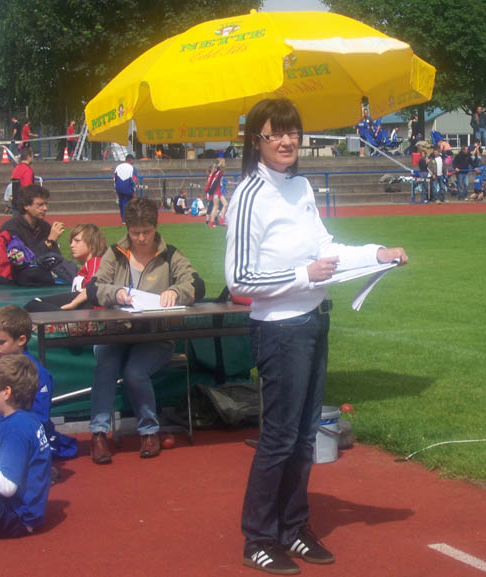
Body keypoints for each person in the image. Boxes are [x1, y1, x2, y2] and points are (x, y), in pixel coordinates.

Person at [225, 98, 408, 575]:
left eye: (293, 132)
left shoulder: (301, 186)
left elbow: (325, 248)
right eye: (275, 134)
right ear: (257, 141)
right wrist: (302, 275)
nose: (287, 142)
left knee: (305, 436)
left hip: (313, 321)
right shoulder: (248, 195)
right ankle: (258, 537)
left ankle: (292, 526)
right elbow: (239, 277)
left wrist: (376, 253)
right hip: (279, 330)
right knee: (279, 437)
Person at [85, 197, 202, 464]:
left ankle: (149, 431)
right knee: (105, 366)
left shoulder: (171, 255)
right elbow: (94, 288)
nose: (140, 238)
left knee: (135, 372)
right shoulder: (114, 254)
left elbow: (196, 284)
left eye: (146, 232)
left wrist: (176, 291)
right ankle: (99, 434)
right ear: (127, 229)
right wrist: (115, 293)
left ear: (156, 227)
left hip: (155, 335)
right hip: (115, 331)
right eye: (134, 232)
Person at [0, 305, 76, 460]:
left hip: (17, 448)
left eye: (1, 342)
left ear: (21, 340)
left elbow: (37, 422)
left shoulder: (39, 375)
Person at [0, 355, 51, 538]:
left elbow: (7, 486)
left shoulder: (16, 428)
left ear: (6, 392)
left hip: (17, 517)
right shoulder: (24, 420)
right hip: (19, 510)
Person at [0, 184, 75, 287]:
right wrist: (49, 242)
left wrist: (52, 244)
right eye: (40, 205)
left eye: (46, 204)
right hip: (13, 280)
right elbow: (21, 261)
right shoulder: (11, 229)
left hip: (38, 275)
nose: (45, 208)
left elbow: (56, 258)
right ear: (26, 206)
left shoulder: (44, 227)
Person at [24, 224, 107, 312]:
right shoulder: (86, 266)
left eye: (77, 241)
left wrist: (73, 303)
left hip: (91, 307)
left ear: (92, 244)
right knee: (35, 306)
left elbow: (94, 287)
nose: (72, 245)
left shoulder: (96, 261)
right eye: (71, 242)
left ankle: (62, 317)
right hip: (84, 307)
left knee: (34, 304)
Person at [114, 154, 138, 223]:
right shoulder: (132, 168)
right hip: (128, 187)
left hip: (119, 187)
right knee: (129, 203)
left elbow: (115, 178)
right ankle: (129, 219)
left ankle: (123, 220)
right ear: (131, 160)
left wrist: (115, 188)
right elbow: (134, 180)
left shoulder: (118, 167)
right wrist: (134, 190)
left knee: (121, 203)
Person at [206, 161, 227, 228]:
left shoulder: (217, 173)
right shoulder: (217, 173)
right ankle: (211, 223)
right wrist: (220, 164)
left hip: (218, 191)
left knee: (225, 204)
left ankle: (221, 220)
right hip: (216, 191)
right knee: (215, 206)